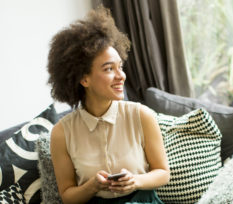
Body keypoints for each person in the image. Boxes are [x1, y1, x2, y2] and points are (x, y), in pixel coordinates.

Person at [47, 5, 170, 204]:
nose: (121, 76)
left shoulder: (142, 115)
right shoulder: (61, 133)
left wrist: (135, 181)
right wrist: (92, 186)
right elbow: (67, 196)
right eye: (108, 69)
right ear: (83, 79)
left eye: (119, 67)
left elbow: (163, 173)